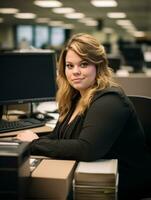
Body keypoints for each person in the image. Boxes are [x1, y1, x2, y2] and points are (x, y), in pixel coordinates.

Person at [16, 33, 151, 200]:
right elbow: (58, 136)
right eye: (69, 65)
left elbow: (87, 149)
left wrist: (34, 144)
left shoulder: (111, 100)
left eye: (84, 64)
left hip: (117, 184)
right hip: (86, 176)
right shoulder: (75, 98)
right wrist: (31, 140)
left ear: (98, 66)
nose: (75, 72)